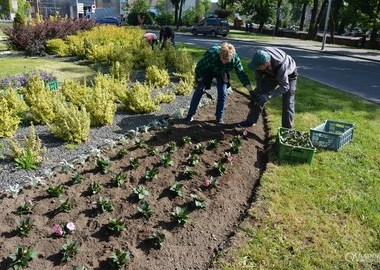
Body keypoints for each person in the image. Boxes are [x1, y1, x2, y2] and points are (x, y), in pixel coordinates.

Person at [185, 42, 253, 125]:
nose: (224, 62)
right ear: (220, 54)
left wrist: (250, 90)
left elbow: (241, 73)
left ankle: (219, 117)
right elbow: (199, 67)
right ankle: (190, 115)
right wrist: (200, 80)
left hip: (222, 71)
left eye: (227, 60)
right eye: (223, 59)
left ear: (231, 57)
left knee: (223, 93)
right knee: (199, 91)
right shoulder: (212, 55)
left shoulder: (235, 59)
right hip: (208, 69)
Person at [239, 47, 298, 129]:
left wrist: (268, 95)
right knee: (260, 96)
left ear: (266, 63)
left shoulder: (281, 65)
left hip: (288, 75)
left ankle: (287, 130)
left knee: (288, 103)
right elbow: (258, 77)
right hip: (271, 74)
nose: (257, 69)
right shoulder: (259, 58)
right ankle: (250, 121)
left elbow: (285, 86)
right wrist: (259, 90)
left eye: (259, 67)